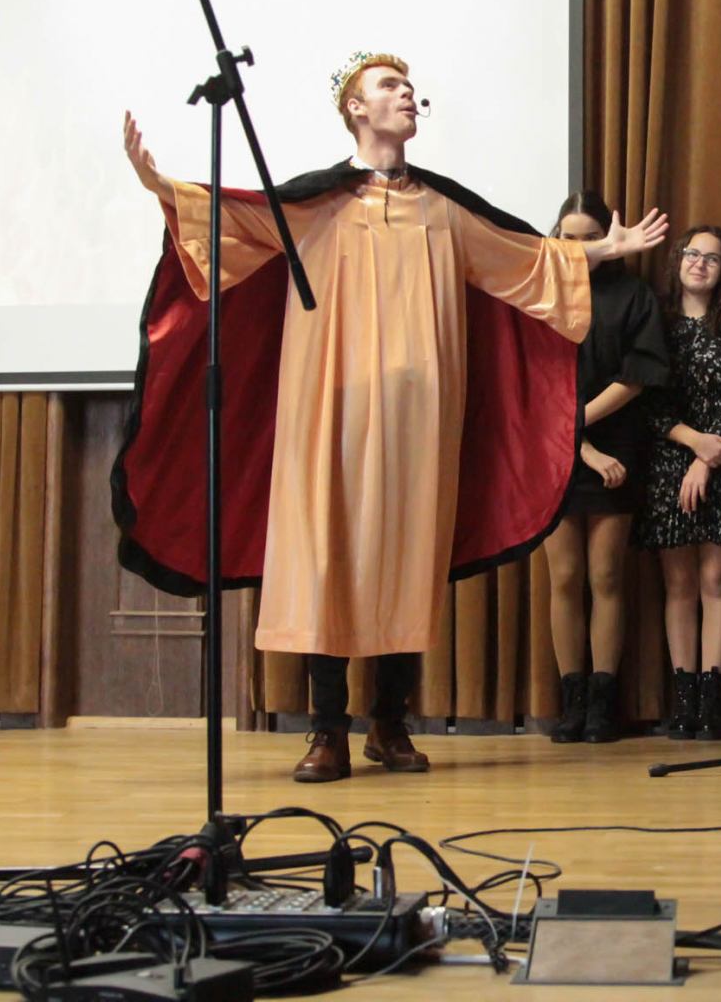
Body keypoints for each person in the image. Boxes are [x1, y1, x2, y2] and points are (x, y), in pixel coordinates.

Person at [115, 53, 667, 783]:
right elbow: (231, 220)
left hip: (419, 417)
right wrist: (163, 187)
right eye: (389, 86)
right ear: (355, 108)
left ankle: (390, 722)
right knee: (329, 557)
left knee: (408, 558)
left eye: (409, 87)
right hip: (329, 411)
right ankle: (327, 731)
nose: (407, 95)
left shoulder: (442, 209)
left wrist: (603, 249)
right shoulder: (314, 206)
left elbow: (525, 261)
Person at [542, 191, 671, 744]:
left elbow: (636, 376)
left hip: (616, 444)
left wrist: (580, 430)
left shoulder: (633, 295)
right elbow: (533, 381)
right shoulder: (542, 292)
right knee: (564, 577)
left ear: (608, 239)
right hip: (553, 446)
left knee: (606, 575)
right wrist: (576, 442)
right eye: (567, 238)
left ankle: (602, 700)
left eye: (589, 238)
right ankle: (570, 700)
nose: (578, 248)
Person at [636, 226, 721, 740]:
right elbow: (647, 401)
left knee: (717, 583)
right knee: (680, 586)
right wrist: (692, 444)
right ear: (677, 261)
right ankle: (683, 700)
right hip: (669, 463)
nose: (700, 263)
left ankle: (712, 701)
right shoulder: (656, 326)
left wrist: (708, 459)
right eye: (692, 253)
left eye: (712, 258)